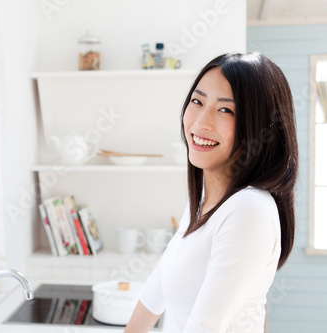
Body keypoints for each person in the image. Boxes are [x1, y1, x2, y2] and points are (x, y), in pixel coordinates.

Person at [124, 52, 298, 332]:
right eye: (197, 101)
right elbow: (156, 289)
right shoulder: (203, 201)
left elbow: (204, 327)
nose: (200, 123)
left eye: (226, 110)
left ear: (259, 127)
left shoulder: (248, 210)